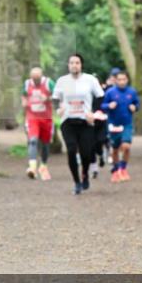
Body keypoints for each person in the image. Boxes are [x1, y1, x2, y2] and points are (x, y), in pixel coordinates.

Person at [52, 54, 105, 195]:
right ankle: (76, 182)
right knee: (71, 150)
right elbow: (55, 98)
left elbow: (100, 96)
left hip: (85, 121)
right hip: (68, 121)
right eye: (71, 63)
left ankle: (85, 174)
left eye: (77, 62)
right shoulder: (62, 81)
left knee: (86, 153)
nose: (74, 65)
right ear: (68, 65)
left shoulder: (90, 80)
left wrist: (93, 113)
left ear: (81, 65)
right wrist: (59, 108)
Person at [102, 70, 140, 182]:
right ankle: (116, 170)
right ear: (116, 80)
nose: (122, 82)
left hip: (127, 123)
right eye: (119, 79)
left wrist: (135, 107)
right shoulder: (110, 92)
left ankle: (123, 168)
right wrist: (109, 105)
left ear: (127, 80)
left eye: (124, 79)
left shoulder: (131, 92)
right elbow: (103, 105)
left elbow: (137, 104)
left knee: (126, 146)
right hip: (113, 124)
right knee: (115, 149)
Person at [21, 66, 55, 180]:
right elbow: (24, 95)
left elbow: (57, 96)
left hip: (46, 118)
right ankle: (32, 167)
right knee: (33, 141)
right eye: (33, 79)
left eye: (37, 79)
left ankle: (43, 166)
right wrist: (24, 102)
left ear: (41, 76)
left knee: (45, 144)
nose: (35, 82)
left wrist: (47, 98)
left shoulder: (49, 83)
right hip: (32, 117)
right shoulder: (27, 84)